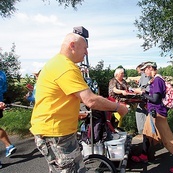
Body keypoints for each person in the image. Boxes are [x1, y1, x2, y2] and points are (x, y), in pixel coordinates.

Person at [30, 31, 128, 173]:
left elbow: (54, 99)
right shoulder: (65, 67)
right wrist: (118, 107)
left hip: (55, 131)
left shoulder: (57, 63)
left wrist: (75, 114)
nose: (86, 53)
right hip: (56, 134)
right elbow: (90, 100)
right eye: (85, 48)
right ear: (72, 46)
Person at [131, 62, 173, 168]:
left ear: (150, 68)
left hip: (157, 113)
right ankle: (144, 155)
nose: (144, 72)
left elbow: (156, 99)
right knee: (147, 133)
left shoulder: (157, 80)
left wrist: (143, 93)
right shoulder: (155, 80)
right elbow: (153, 97)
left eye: (145, 70)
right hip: (153, 112)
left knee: (167, 139)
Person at [133, 62, 151, 134]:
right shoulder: (144, 76)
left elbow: (144, 87)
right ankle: (146, 130)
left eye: (138, 71)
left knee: (140, 112)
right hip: (146, 97)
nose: (138, 72)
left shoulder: (144, 75)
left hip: (145, 97)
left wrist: (137, 90)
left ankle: (143, 130)